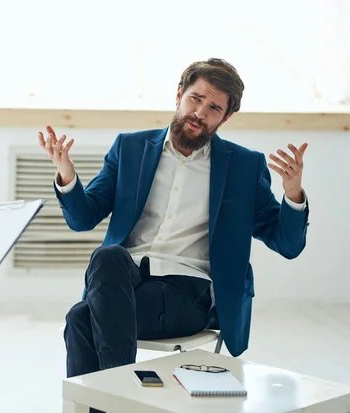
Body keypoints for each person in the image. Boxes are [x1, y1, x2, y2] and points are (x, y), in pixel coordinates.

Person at [38, 57, 309, 396]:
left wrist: (293, 193)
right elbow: (82, 217)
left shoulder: (243, 166)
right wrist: (66, 174)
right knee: (107, 257)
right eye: (195, 99)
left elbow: (287, 243)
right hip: (126, 279)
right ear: (179, 94)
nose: (200, 112)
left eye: (213, 108)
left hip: (188, 293)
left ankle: (118, 398)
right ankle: (121, 395)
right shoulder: (131, 148)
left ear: (226, 117)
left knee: (81, 318)